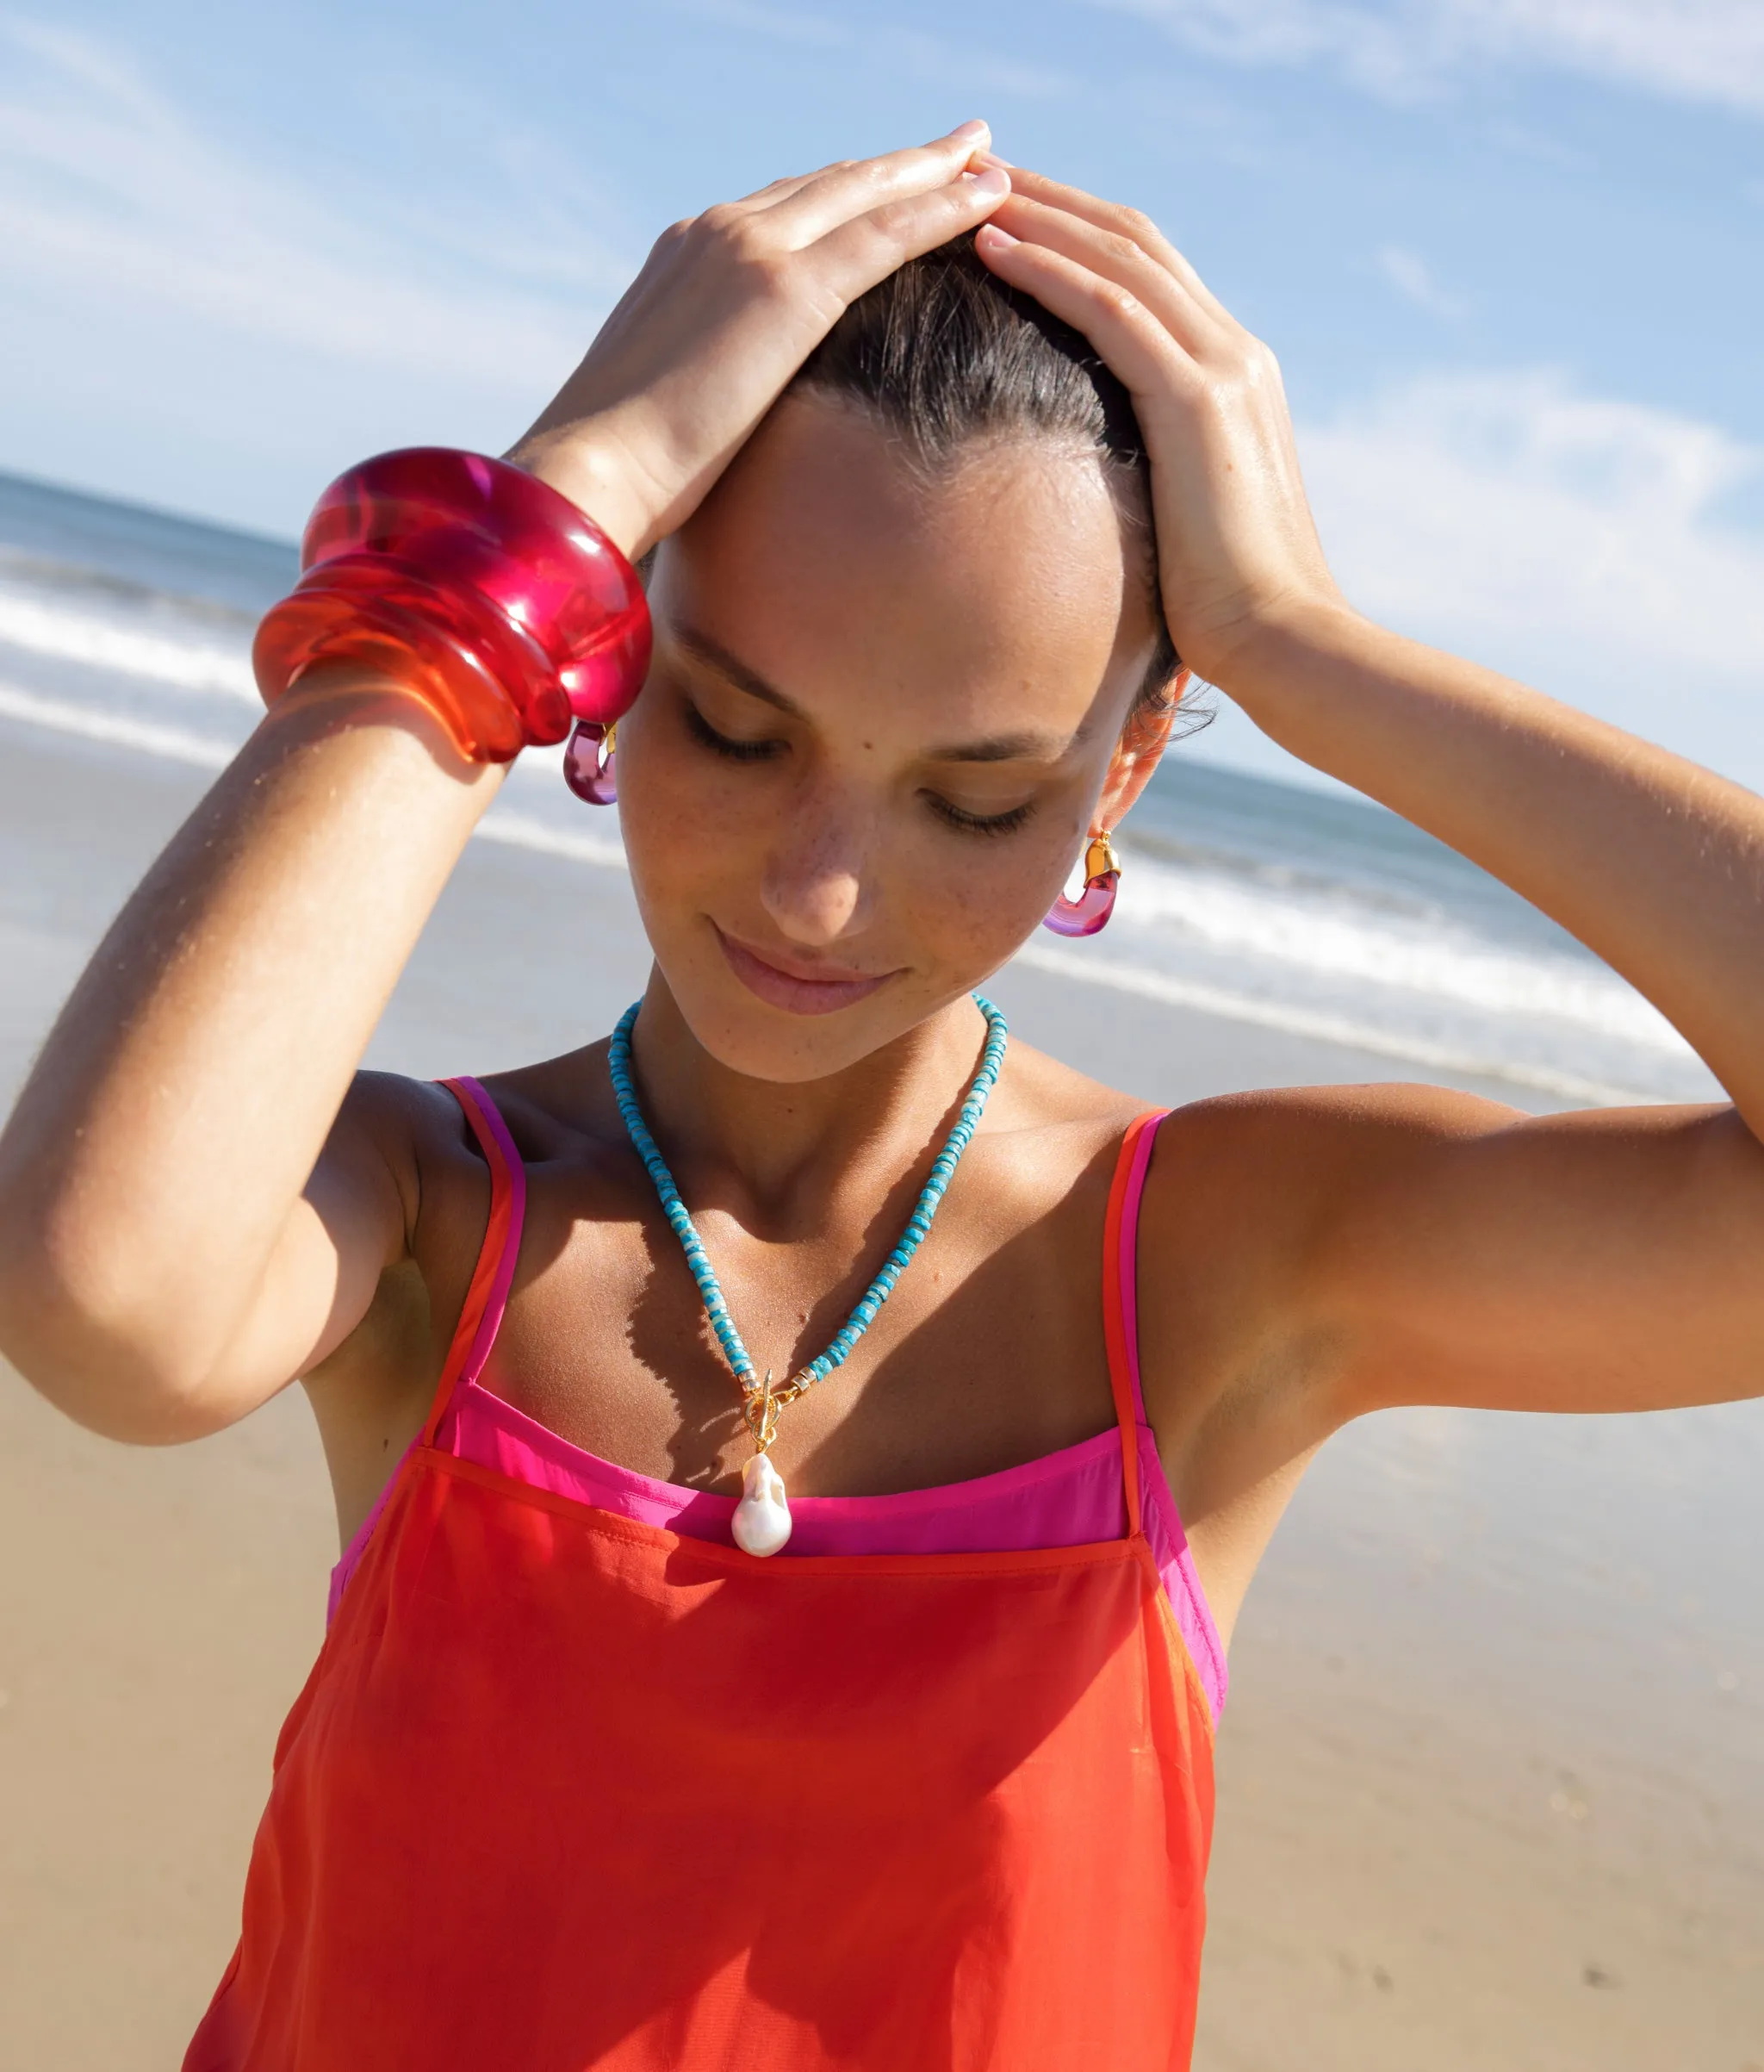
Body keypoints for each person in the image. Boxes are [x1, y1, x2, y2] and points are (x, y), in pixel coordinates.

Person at [1, 120, 1761, 2071]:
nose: (817, 893)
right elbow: (105, 1290)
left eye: (978, 795)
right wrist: (551, 508)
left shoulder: (1208, 1268)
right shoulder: (431, 1209)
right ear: (610, 660)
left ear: (1120, 775)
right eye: (737, 727)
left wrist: (1306, 650)